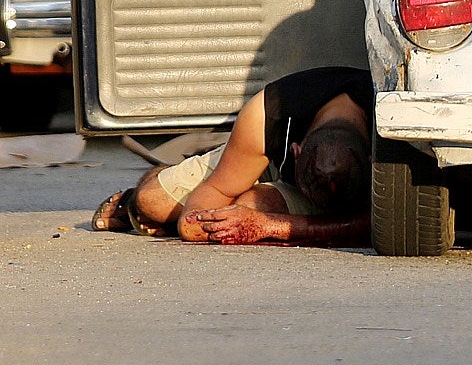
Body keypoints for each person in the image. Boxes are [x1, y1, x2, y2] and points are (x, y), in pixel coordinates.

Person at [89, 67, 374, 245]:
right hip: (256, 158)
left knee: (248, 204)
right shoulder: (269, 113)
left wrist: (268, 227)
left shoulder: (391, 129)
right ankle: (139, 198)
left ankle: (244, 202)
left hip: (355, 198)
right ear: (296, 151)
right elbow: (213, 193)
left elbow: (379, 224)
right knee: (152, 201)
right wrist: (197, 223)